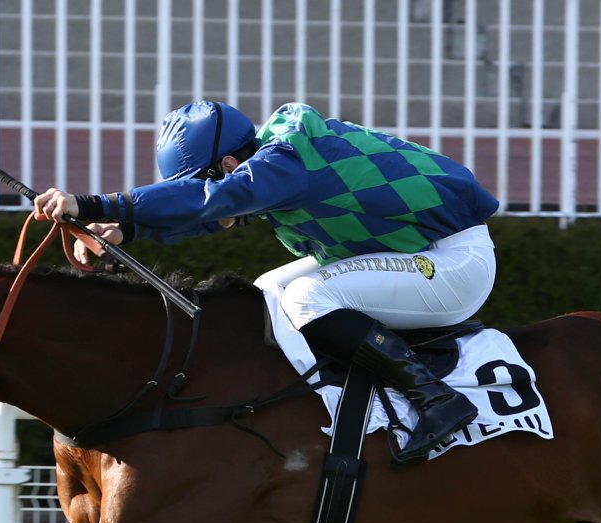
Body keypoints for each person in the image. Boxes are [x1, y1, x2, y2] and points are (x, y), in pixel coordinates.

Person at [31, 100, 500, 464]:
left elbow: (214, 200)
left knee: (309, 296)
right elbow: (214, 213)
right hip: (411, 254)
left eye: (204, 180)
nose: (205, 190)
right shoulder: (272, 165)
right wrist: (127, 230)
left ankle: (436, 400)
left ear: (229, 163)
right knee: (268, 292)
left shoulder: (286, 158)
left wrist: (92, 203)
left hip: (453, 262)